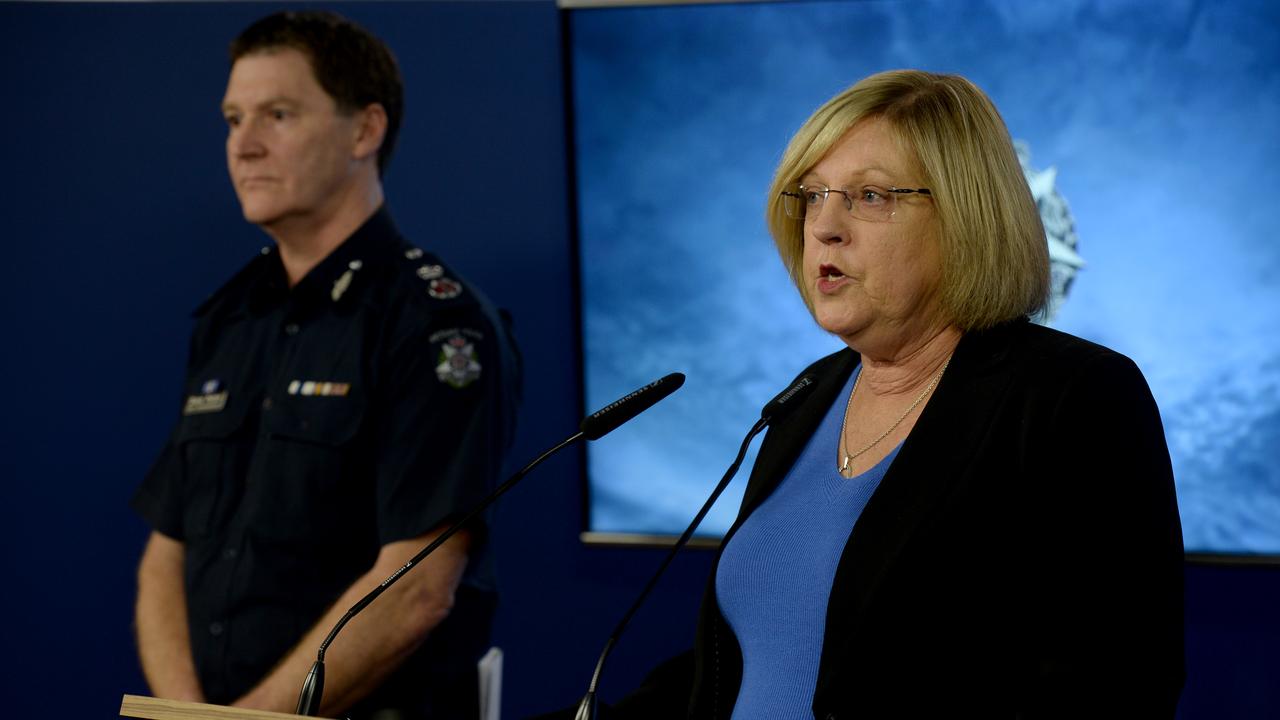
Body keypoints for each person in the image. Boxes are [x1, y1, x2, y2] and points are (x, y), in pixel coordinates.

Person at [577, 70, 1185, 719]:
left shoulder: (1074, 396)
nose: (824, 227)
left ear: (963, 216)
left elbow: (1115, 686)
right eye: (811, 196)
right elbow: (743, 665)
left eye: (868, 196)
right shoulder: (811, 393)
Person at [131, 11, 521, 719]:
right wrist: (187, 715)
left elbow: (417, 586)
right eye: (231, 118)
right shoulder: (230, 317)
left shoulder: (436, 322)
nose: (242, 146)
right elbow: (167, 550)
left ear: (364, 131)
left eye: (277, 114)